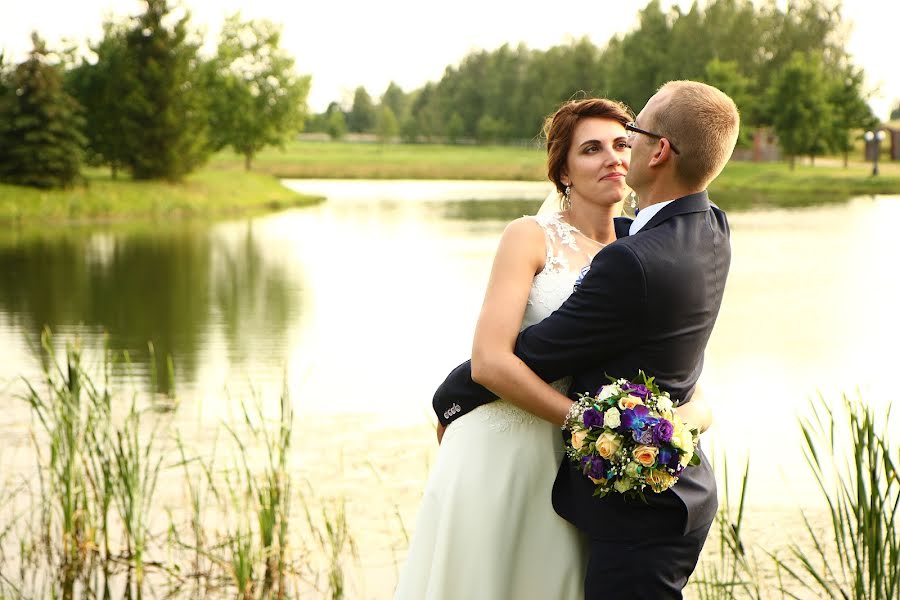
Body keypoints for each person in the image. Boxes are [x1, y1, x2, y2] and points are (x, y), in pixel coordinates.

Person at [394, 97, 712, 600]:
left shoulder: (643, 253)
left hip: (587, 467)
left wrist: (689, 416)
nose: (613, 158)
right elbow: (490, 359)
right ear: (562, 170)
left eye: (622, 144)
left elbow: (678, 367)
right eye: (591, 149)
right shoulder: (529, 237)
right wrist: (586, 424)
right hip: (510, 444)